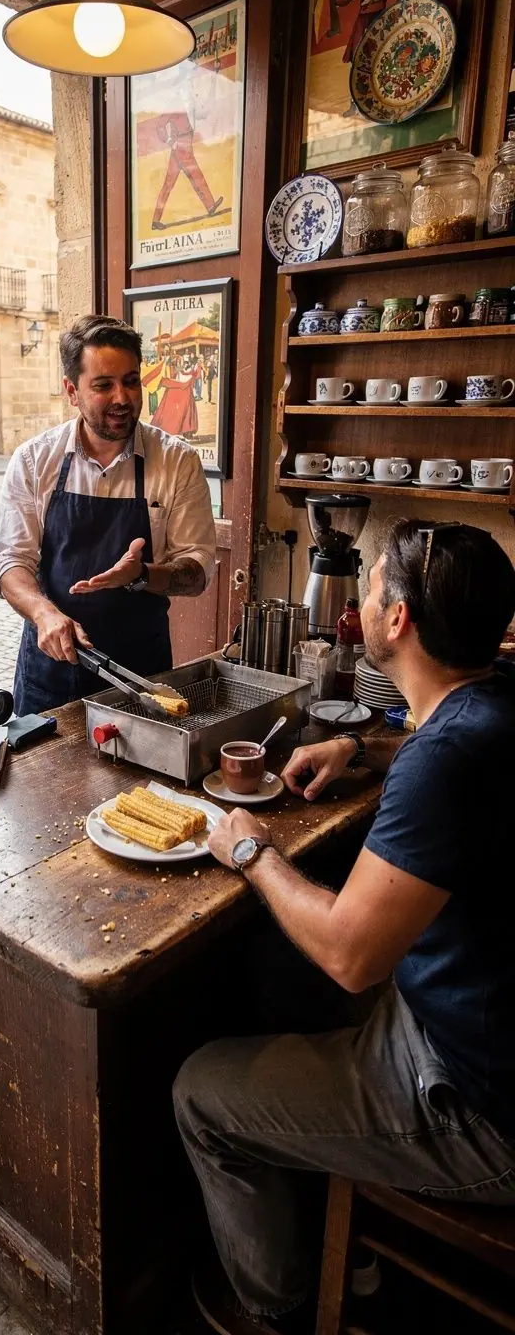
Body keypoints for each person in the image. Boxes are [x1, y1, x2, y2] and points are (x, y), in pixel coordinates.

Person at [175, 520, 515, 1335]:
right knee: (271, 969)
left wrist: (249, 848)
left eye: (367, 587)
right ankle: (335, 1232)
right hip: (478, 1021)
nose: (357, 603)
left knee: (199, 1094)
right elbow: (446, 752)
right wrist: (361, 752)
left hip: (480, 1109)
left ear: (397, 620)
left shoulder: (446, 760)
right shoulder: (494, 701)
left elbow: (351, 956)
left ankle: (277, 1305)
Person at [0, 315, 216, 716]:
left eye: (131, 381)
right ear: (71, 390)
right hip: (50, 669)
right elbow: (11, 564)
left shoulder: (177, 461)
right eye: (103, 385)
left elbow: (197, 571)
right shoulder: (34, 460)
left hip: (140, 673)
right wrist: (44, 613)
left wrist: (144, 574)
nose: (122, 397)